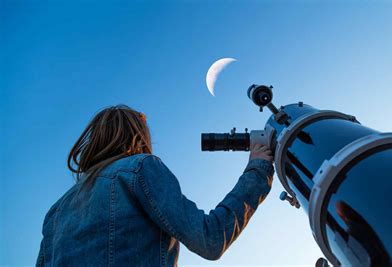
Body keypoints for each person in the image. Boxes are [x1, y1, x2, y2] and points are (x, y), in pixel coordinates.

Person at [36, 105, 274, 266]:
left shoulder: (55, 213)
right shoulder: (140, 168)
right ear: (138, 137)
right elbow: (210, 239)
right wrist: (258, 168)